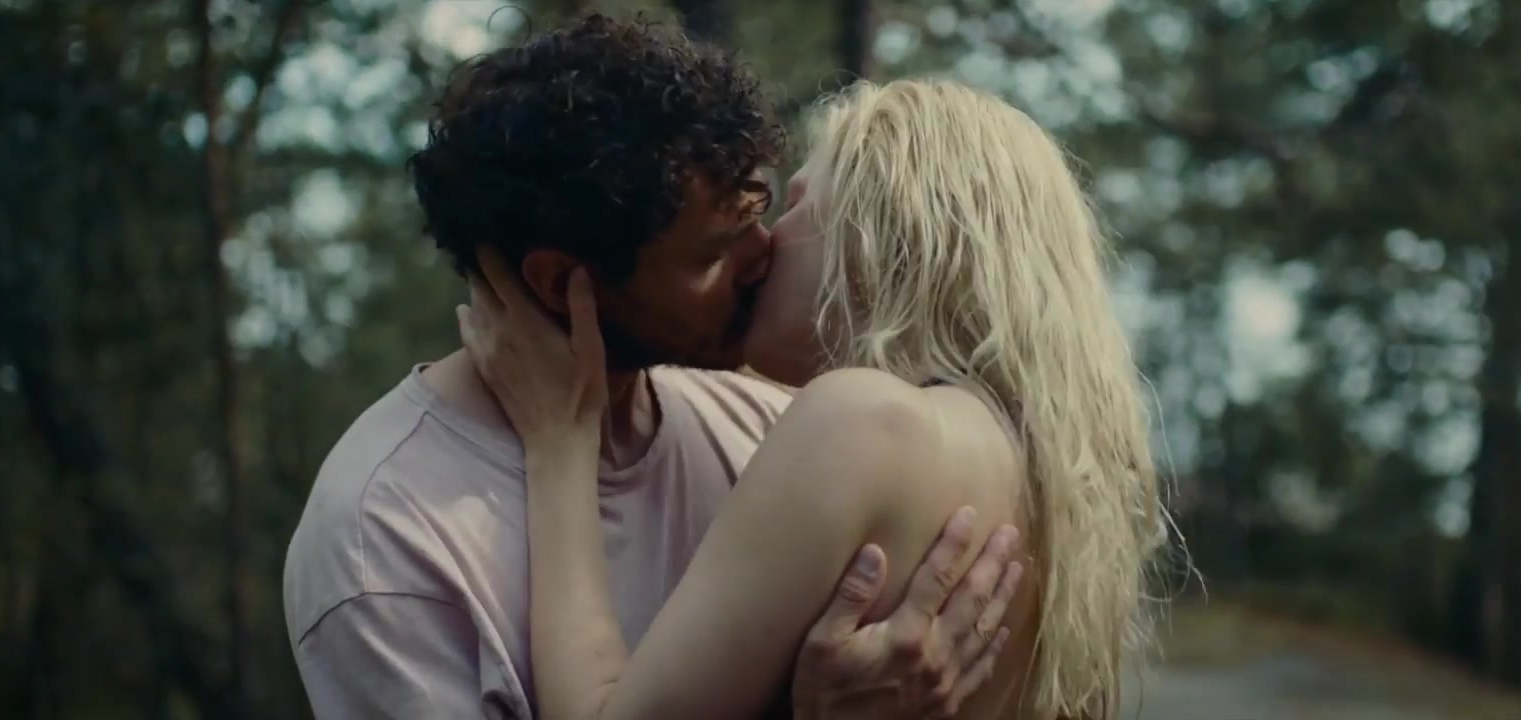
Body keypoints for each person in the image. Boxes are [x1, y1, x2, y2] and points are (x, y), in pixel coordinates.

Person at [281, 16, 1021, 719]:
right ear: (559, 281)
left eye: (757, 210)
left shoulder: (765, 419)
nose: (764, 252)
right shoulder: (390, 537)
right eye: (711, 252)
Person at [460, 78, 1168, 720]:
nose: (765, 244)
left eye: (796, 204)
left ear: (878, 235)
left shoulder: (863, 421)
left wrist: (561, 444)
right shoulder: (1049, 474)